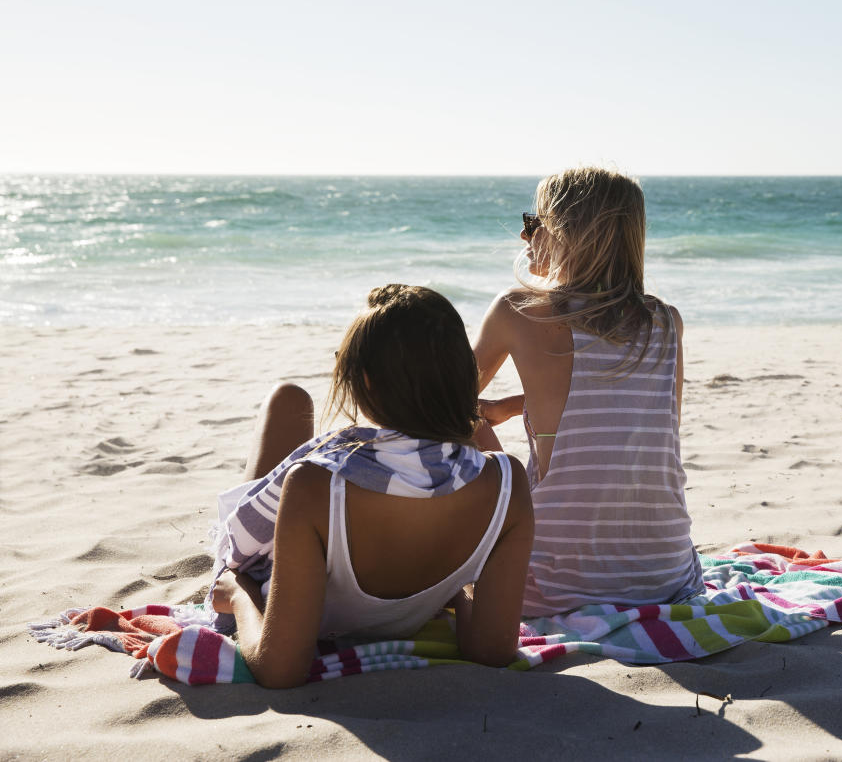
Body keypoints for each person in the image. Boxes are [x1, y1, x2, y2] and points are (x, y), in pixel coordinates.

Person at [209, 285, 533, 688]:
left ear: (365, 381)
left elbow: (280, 669)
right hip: (413, 555)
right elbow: (493, 651)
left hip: (283, 547)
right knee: (292, 403)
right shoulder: (507, 485)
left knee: (285, 399)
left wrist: (238, 595)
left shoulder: (313, 484)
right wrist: (454, 581)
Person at [472, 167, 703, 617]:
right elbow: (639, 415)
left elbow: (433, 400)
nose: (525, 235)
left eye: (534, 222)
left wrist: (482, 425)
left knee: (455, 419)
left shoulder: (519, 310)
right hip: (667, 578)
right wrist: (511, 406)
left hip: (553, 584)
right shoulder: (666, 321)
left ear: (564, 233)